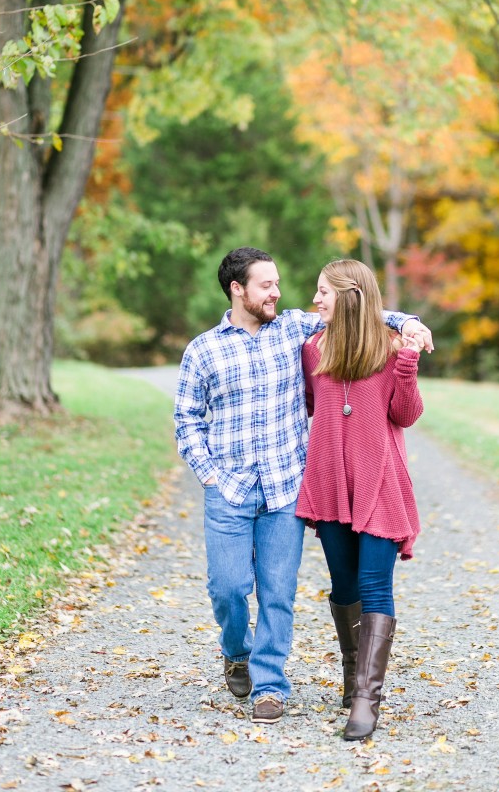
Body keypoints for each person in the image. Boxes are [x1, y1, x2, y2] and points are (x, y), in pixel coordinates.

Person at [174, 247, 432, 725]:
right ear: (238, 289)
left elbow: (366, 311)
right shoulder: (212, 348)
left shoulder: (295, 328)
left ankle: (280, 687)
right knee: (229, 589)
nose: (281, 293)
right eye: (266, 285)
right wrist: (209, 474)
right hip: (239, 489)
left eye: (279, 283)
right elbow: (187, 419)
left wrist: (411, 325)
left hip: (289, 485)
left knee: (280, 590)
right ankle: (237, 652)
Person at [295, 259, 424, 741]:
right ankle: (352, 678)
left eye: (323, 292)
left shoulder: (391, 349)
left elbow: (405, 415)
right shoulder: (313, 349)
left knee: (374, 584)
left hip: (379, 483)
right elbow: (314, 405)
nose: (317, 300)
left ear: (349, 295)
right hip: (330, 484)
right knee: (343, 586)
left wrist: (408, 365)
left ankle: (368, 698)